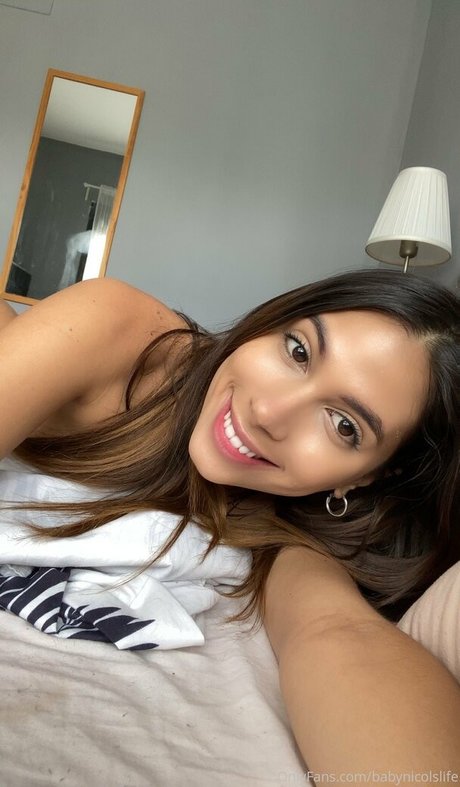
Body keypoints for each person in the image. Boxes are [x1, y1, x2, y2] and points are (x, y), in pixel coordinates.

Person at [0, 268, 459, 781]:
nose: (268, 411)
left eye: (343, 425)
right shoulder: (116, 331)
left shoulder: (285, 530)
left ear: (368, 476)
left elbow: (338, 630)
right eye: (299, 351)